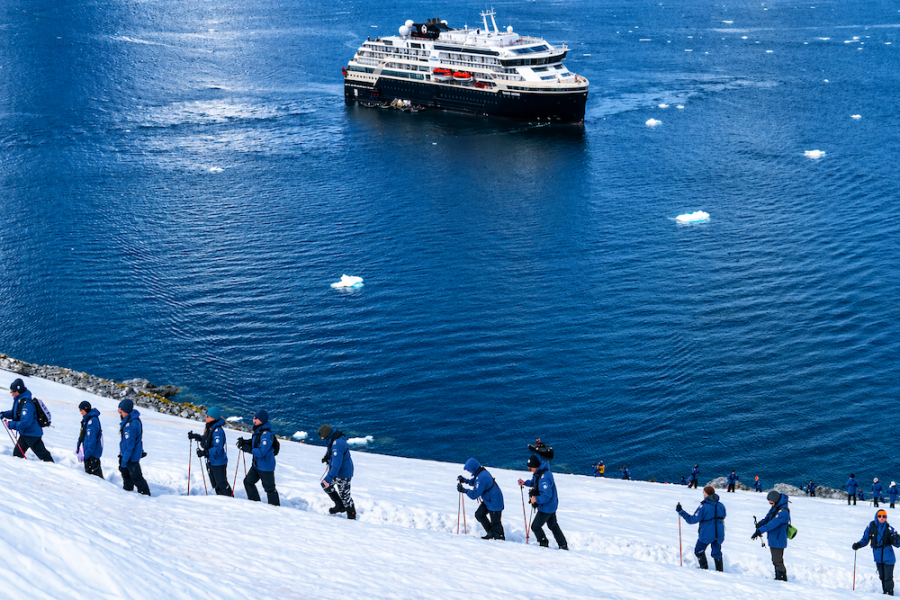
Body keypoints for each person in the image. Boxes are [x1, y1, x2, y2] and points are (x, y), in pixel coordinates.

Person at [518, 455, 567, 550]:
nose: (530, 470)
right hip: (551, 505)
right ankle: (563, 545)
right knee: (553, 525)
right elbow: (534, 482)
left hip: (547, 507)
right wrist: (525, 483)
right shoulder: (540, 472)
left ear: (535, 466)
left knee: (535, 526)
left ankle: (543, 543)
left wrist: (535, 499)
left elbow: (546, 496)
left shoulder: (544, 478)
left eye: (530, 468)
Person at [1, 378, 54, 462]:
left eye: (12, 391)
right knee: (17, 454)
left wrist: (11, 425)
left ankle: (53, 468)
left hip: (31, 435)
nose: (11, 392)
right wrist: (4, 414)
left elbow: (26, 422)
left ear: (18, 391)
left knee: (43, 455)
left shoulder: (27, 405)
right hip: (26, 433)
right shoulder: (20, 400)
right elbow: (16, 413)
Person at [677, 485, 726, 571]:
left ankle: (704, 569)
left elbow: (692, 520)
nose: (703, 494)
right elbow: (723, 515)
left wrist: (681, 512)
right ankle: (720, 571)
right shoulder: (721, 505)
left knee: (699, 550)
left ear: (707, 494)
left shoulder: (703, 507)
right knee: (717, 552)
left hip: (707, 533)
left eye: (704, 492)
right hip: (719, 533)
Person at [853, 509, 900, 595]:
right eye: (880, 516)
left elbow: (898, 544)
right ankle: (885, 592)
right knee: (882, 576)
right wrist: (858, 544)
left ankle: (889, 593)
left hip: (889, 557)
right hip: (878, 557)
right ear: (876, 517)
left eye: (884, 516)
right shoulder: (871, 527)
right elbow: (865, 539)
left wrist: (897, 539)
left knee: (888, 577)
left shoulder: (890, 529)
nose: (882, 518)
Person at [238, 410, 279, 506]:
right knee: (248, 482)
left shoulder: (266, 435)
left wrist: (247, 448)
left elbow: (261, 452)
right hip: (257, 465)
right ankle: (255, 503)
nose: (254, 420)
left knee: (270, 489)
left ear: (262, 420)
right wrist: (245, 442)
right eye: (254, 418)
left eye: (256, 418)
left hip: (265, 467)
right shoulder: (259, 430)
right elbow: (255, 442)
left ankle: (275, 508)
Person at [189, 407, 232, 496]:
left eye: (208, 416)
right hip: (211, 460)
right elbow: (207, 440)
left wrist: (205, 452)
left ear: (214, 418)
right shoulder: (210, 427)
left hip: (218, 461)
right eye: (206, 416)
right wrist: (197, 437)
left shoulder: (218, 431)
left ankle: (230, 498)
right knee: (215, 483)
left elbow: (217, 448)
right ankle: (221, 498)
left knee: (222, 483)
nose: (206, 418)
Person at [458, 457, 504, 540]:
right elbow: (475, 482)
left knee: (495, 523)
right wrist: (465, 481)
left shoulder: (482, 477)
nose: (469, 472)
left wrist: (464, 490)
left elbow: (474, 494)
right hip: (488, 500)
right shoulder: (480, 473)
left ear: (473, 468)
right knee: (479, 514)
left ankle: (499, 539)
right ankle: (491, 532)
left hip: (494, 501)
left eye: (469, 470)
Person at [752, 490, 792, 581]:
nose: (771, 505)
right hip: (773, 538)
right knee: (775, 560)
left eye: (772, 503)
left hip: (779, 539)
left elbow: (772, 524)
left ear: (776, 501)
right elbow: (768, 518)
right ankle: (777, 577)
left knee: (778, 560)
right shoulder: (775, 508)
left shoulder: (783, 512)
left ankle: (782, 578)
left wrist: (759, 531)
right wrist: (760, 524)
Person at [318, 424, 355, 520]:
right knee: (325, 485)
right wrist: (327, 457)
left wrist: (328, 478)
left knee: (345, 496)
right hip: (339, 472)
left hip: (343, 473)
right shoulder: (334, 438)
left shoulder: (336, 445)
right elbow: (331, 451)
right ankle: (339, 505)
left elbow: (336, 466)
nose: (322, 439)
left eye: (322, 437)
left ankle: (352, 518)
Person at [118, 399, 150, 496]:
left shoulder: (130, 425)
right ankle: (128, 493)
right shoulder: (133, 419)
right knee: (128, 477)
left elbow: (130, 446)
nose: (119, 413)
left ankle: (145, 495)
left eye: (121, 411)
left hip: (130, 457)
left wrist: (124, 461)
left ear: (126, 411)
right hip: (131, 455)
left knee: (135, 477)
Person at [77, 400, 103, 479]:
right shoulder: (87, 419)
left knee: (94, 476)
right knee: (90, 474)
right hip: (89, 451)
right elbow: (83, 434)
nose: (80, 412)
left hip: (92, 453)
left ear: (86, 409)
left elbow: (92, 440)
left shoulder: (92, 421)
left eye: (81, 410)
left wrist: (87, 454)